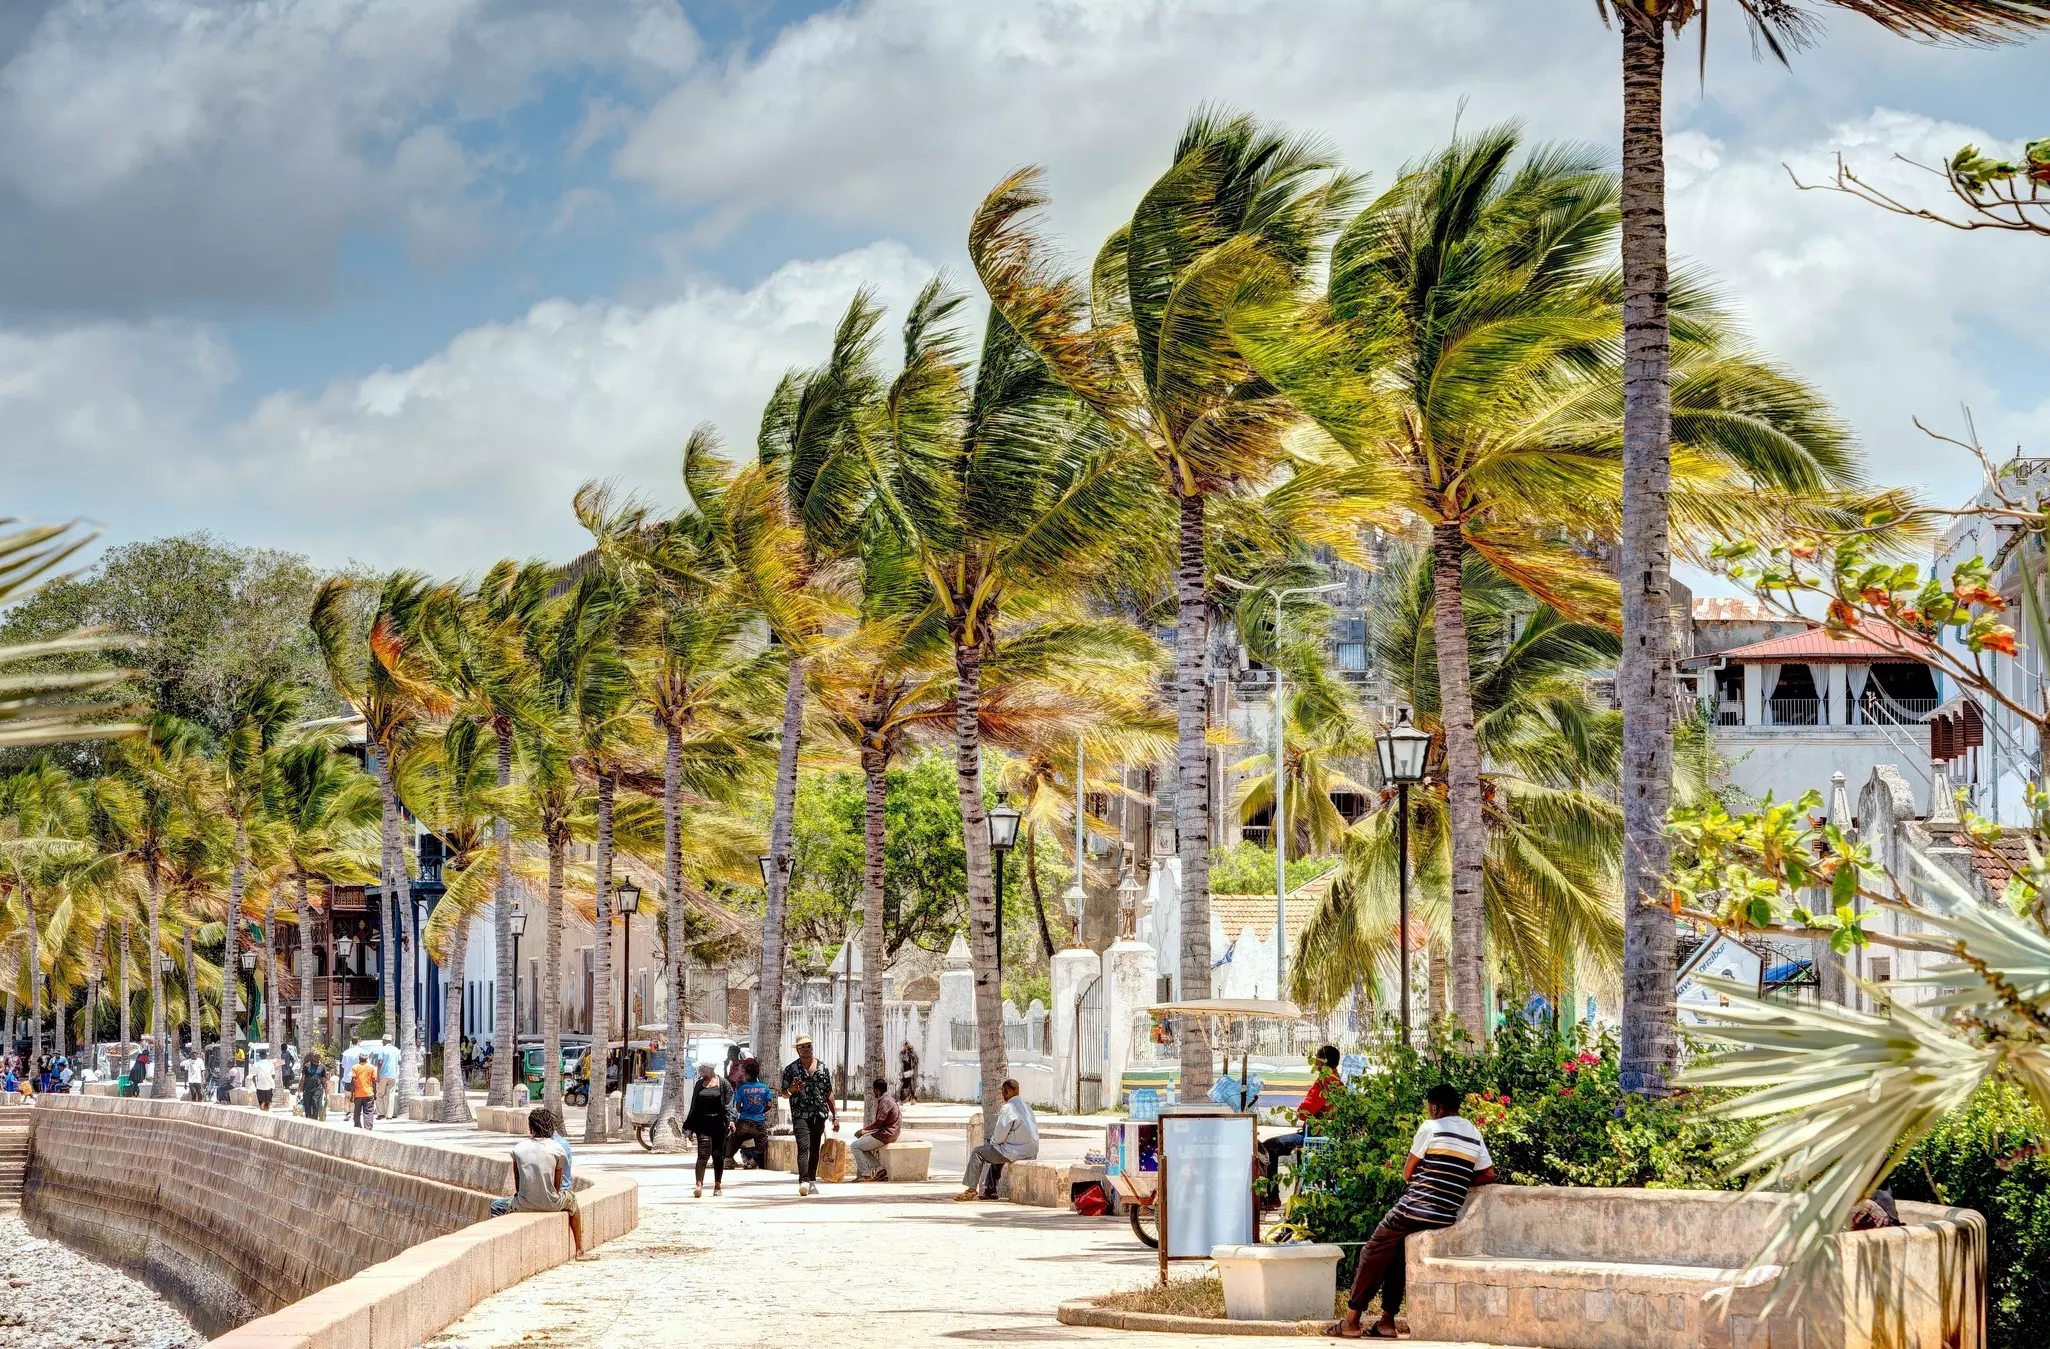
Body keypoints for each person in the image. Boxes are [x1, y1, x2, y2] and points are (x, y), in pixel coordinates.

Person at [1325, 1083, 1496, 1340]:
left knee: (1372, 1251)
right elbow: (1488, 1174)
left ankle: (1351, 1321)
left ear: (1436, 1108)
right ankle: (1386, 1322)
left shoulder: (1430, 1127)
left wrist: (1432, 1177)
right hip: (1446, 1215)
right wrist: (1457, 1179)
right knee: (1396, 1256)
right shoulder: (1473, 1132)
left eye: (1430, 1108)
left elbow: (1407, 1173)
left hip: (1415, 1208)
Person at [490, 1108, 594, 1261]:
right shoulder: (557, 1148)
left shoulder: (518, 1149)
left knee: (496, 1206)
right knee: (572, 1199)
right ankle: (579, 1250)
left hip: (523, 1204)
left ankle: (498, 1250)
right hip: (551, 1203)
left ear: (530, 1127)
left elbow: (518, 1185)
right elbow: (557, 1186)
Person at [1263, 1045, 1342, 1186]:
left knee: (1269, 1146)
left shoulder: (1323, 1083)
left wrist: (1303, 1112)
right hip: (1330, 1136)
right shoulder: (1339, 1082)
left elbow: (1304, 1112)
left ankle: (1272, 1196)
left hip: (1314, 1136)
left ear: (1322, 1061)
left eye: (1317, 1058)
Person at [957, 1078, 1038, 1201]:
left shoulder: (1008, 1108)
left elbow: (999, 1136)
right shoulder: (1027, 1107)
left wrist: (993, 1144)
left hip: (1016, 1151)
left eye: (1003, 1092)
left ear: (1007, 1091)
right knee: (997, 1152)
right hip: (1031, 1150)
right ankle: (990, 1190)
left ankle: (971, 1189)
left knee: (978, 1152)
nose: (1003, 1095)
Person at [779, 1034, 838, 1196]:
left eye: (808, 1046)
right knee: (803, 1146)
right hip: (800, 1114)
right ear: (797, 1050)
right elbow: (783, 1093)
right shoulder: (791, 1069)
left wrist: (835, 1115)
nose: (806, 1049)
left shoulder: (822, 1067)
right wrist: (792, 1089)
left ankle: (812, 1181)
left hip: (819, 1114)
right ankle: (803, 1180)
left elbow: (828, 1092)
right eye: (802, 1047)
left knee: (814, 1148)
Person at [681, 1060, 731, 1199]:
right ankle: (698, 1185)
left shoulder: (723, 1084)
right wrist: (690, 1127)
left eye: (701, 1068)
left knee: (717, 1155)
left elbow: (728, 1104)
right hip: (702, 1124)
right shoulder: (699, 1084)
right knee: (703, 1154)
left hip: (719, 1124)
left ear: (708, 1069)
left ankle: (717, 1185)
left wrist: (731, 1120)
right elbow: (694, 1106)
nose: (699, 1071)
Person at [850, 1078, 901, 1182]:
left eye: (874, 1090)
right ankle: (880, 1170)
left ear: (877, 1090)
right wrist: (865, 1132)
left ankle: (865, 1174)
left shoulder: (885, 1101)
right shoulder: (889, 1099)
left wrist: (863, 1130)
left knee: (855, 1146)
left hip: (886, 1134)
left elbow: (878, 1123)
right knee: (862, 1146)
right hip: (890, 1132)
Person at [726, 1059, 772, 1169]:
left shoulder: (742, 1089)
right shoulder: (764, 1088)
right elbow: (769, 1105)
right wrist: (760, 1111)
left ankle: (727, 1159)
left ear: (746, 1074)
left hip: (744, 1121)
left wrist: (744, 1112)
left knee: (734, 1140)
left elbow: (738, 1106)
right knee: (762, 1142)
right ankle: (753, 1161)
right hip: (759, 1121)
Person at [349, 1051, 379, 1130]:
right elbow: (374, 1082)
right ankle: (368, 1129)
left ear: (359, 1058)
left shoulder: (355, 1067)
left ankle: (358, 1128)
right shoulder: (372, 1067)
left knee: (357, 1113)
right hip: (369, 1094)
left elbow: (353, 1082)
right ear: (367, 1059)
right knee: (368, 1112)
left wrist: (352, 1095)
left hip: (358, 1095)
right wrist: (375, 1093)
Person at [375, 1036, 399, 1118]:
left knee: (379, 1095)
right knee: (390, 1095)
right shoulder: (396, 1050)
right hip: (393, 1075)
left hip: (383, 1075)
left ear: (385, 1041)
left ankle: (381, 1114)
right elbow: (399, 1061)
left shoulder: (382, 1049)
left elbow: (380, 1061)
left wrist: (377, 1074)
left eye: (383, 1041)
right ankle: (389, 1115)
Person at [301, 1052, 328, 1122]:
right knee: (307, 1106)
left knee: (315, 1103)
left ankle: (315, 1120)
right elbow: (302, 1079)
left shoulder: (322, 1067)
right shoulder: (307, 1066)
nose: (317, 1059)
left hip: (317, 1088)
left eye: (318, 1057)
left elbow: (325, 1080)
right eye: (315, 1057)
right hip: (307, 1089)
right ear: (312, 1058)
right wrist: (299, 1091)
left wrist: (326, 1093)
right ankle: (308, 1119)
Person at [899, 1040, 920, 1105]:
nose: (906, 1047)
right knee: (905, 1084)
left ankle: (912, 1099)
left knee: (912, 1085)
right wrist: (906, 1053)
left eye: (907, 1045)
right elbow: (903, 1059)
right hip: (906, 1070)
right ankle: (903, 1098)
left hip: (911, 1070)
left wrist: (910, 1052)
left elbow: (916, 1060)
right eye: (905, 1045)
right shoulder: (902, 1053)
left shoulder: (912, 1052)